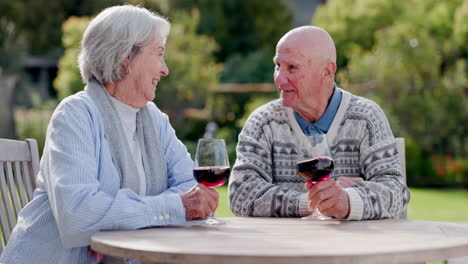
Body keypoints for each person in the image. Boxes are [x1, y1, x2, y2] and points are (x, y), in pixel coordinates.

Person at [0, 5, 218, 263]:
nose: (165, 69)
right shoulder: (75, 116)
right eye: (159, 54)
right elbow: (79, 216)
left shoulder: (154, 120)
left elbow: (193, 191)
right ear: (125, 58)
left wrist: (118, 223)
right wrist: (174, 206)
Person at [228, 26, 409, 220]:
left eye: (292, 68)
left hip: (352, 247)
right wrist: (313, 202)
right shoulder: (263, 121)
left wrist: (348, 202)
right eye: (277, 65)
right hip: (286, 248)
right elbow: (241, 194)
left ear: (327, 71)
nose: (279, 78)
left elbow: (397, 193)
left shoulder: (366, 117)